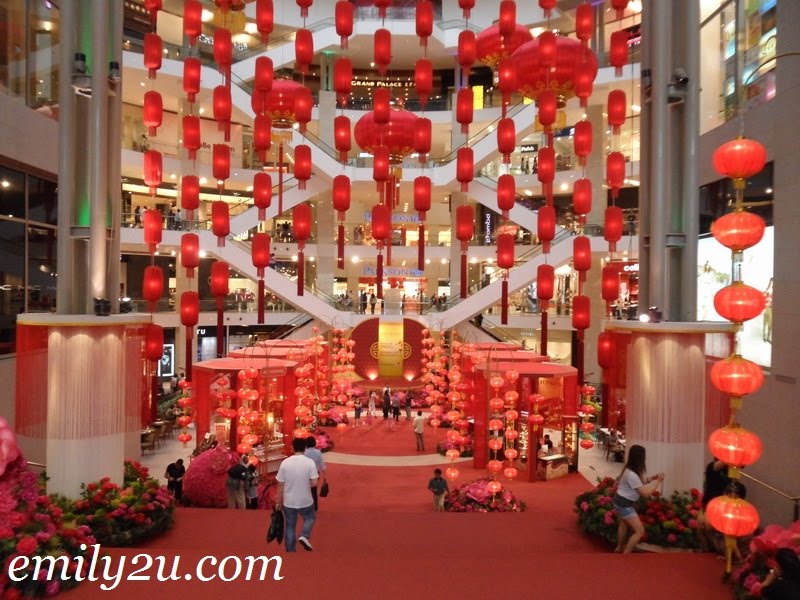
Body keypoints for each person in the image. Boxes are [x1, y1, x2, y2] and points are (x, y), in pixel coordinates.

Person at [612, 445, 665, 553]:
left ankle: (619, 548)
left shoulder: (629, 470)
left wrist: (652, 478)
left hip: (619, 500)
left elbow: (639, 482)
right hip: (624, 504)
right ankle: (626, 554)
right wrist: (658, 481)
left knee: (623, 525)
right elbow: (645, 493)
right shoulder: (632, 474)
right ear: (640, 458)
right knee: (639, 531)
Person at [276, 438, 318, 552]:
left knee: (290, 526)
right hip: (305, 499)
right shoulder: (310, 462)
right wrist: (306, 484)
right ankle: (304, 535)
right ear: (305, 448)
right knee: (310, 517)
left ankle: (290, 550)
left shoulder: (285, 463)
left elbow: (280, 485)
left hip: (289, 501)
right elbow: (315, 483)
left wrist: (278, 501)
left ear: (292, 448)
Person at [304, 436, 326, 511]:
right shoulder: (318, 452)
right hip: (315, 474)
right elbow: (322, 465)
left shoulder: (305, 452)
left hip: (306, 474)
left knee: (306, 490)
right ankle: (315, 506)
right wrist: (325, 475)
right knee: (314, 491)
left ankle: (306, 506)